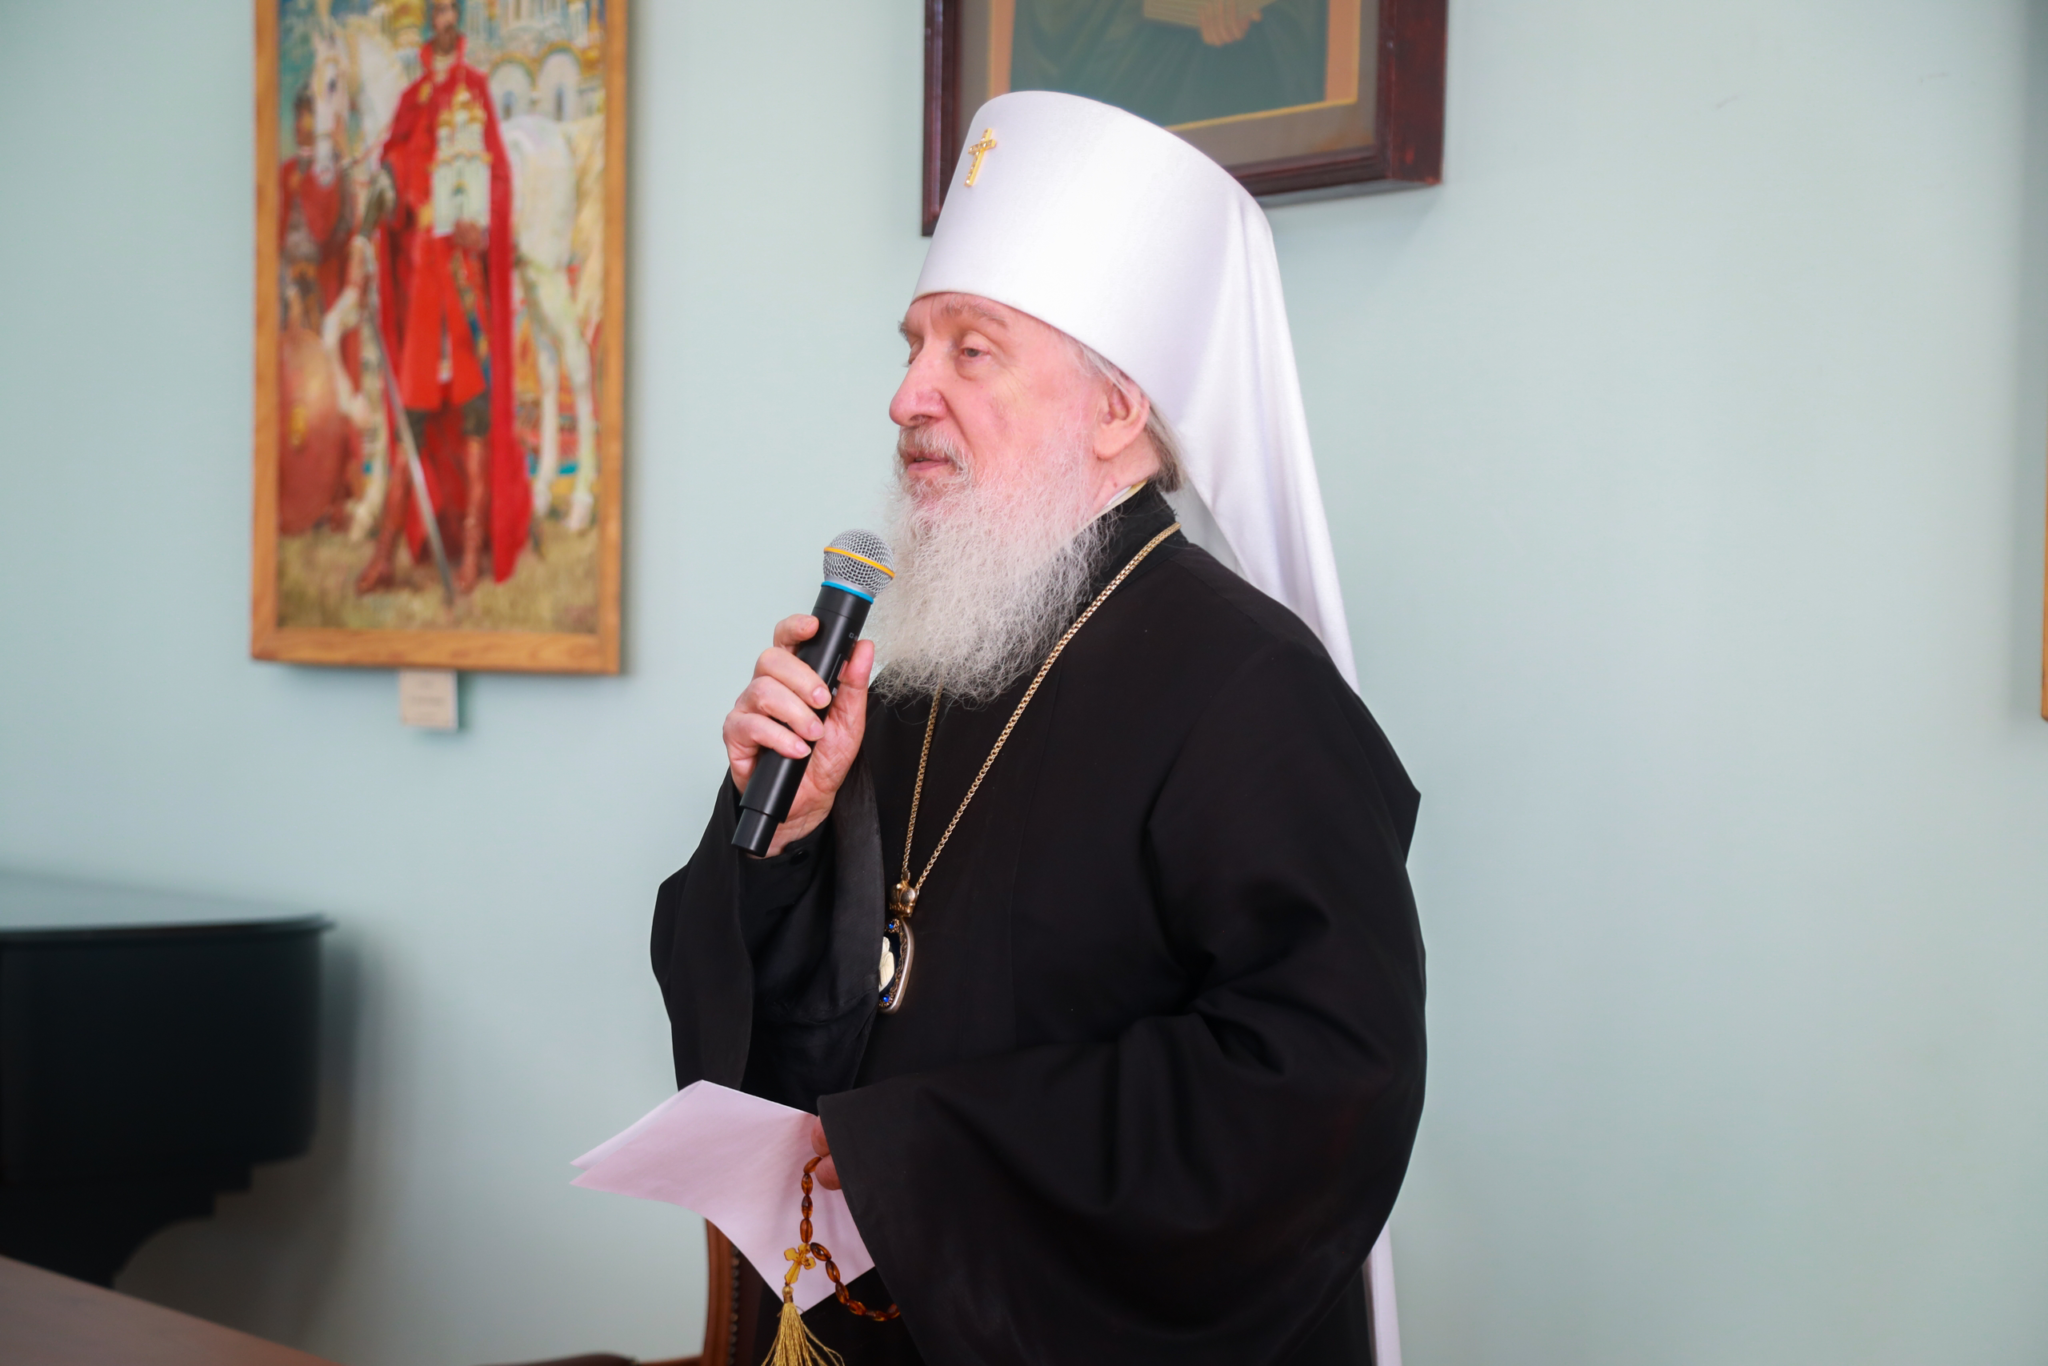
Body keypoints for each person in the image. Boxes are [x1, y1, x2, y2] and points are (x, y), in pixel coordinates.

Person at [653, 92, 1424, 1365]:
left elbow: (1319, 1084)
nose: (906, 395)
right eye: (913, 346)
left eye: (970, 351)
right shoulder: (922, 656)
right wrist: (780, 842)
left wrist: (917, 1151)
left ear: (1116, 410)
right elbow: (810, 1011)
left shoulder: (1255, 690)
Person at [355, 0, 528, 596]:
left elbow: (497, 182)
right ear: (432, 18)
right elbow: (391, 181)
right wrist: (377, 206)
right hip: (425, 295)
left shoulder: (474, 90)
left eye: (453, 8)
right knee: (412, 423)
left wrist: (484, 228)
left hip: (464, 287)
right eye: (439, 9)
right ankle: (384, 557)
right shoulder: (411, 102)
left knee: (475, 423)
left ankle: (473, 552)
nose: (446, 17)